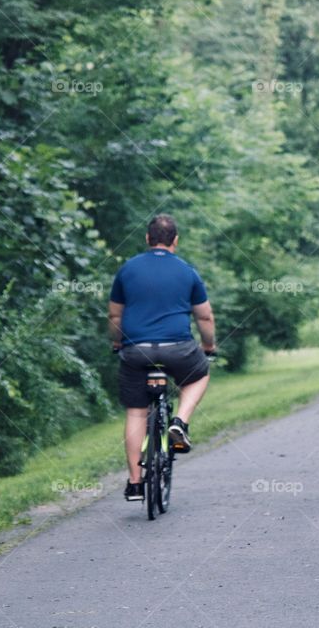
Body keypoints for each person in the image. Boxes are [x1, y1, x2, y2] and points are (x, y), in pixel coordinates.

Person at [108, 214, 216, 502]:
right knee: (199, 374)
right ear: (175, 241)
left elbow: (115, 314)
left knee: (136, 412)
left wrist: (118, 342)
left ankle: (134, 482)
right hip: (178, 348)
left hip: (136, 351)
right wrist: (208, 346)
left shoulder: (127, 270)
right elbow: (204, 316)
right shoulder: (187, 271)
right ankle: (179, 421)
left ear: (147, 239)